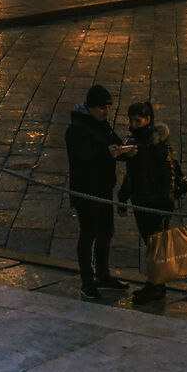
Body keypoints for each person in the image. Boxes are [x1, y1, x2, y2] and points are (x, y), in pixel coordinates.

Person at [64, 83, 137, 300]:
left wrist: (124, 151)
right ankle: (87, 283)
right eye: (101, 108)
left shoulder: (101, 123)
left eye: (107, 108)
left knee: (106, 231)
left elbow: (114, 143)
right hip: (86, 190)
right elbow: (82, 160)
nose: (105, 112)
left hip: (104, 188)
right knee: (88, 234)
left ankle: (103, 276)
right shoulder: (77, 129)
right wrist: (108, 154)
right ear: (91, 107)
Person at [121, 99, 186, 303]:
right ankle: (155, 283)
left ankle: (156, 286)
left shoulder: (158, 144)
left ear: (148, 119)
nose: (133, 124)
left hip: (155, 202)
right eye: (131, 120)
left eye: (138, 120)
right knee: (150, 244)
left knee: (156, 245)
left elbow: (168, 173)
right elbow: (131, 173)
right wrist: (123, 196)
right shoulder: (133, 141)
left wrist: (166, 202)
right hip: (140, 200)